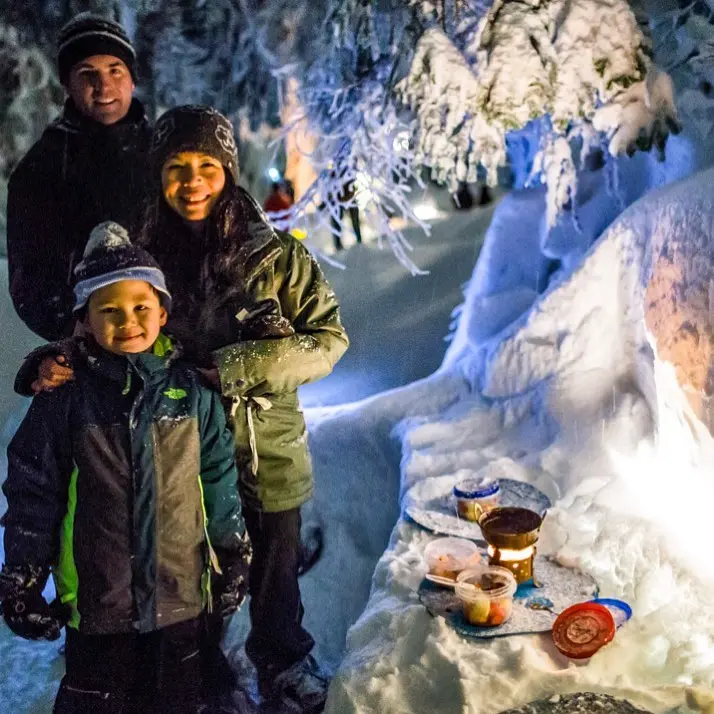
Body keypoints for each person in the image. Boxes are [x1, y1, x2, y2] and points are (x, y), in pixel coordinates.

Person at [23, 106, 349, 713]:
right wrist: (56, 360)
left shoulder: (276, 258)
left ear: (227, 170)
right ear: (159, 175)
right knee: (190, 575)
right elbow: (106, 323)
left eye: (206, 166)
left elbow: (328, 340)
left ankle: (282, 663)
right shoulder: (143, 252)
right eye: (176, 167)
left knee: (274, 572)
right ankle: (208, 676)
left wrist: (236, 368)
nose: (192, 181)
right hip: (172, 453)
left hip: (266, 445)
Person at [0, 222, 252, 714]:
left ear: (162, 311)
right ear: (84, 320)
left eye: (141, 306)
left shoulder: (193, 393)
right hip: (98, 606)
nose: (128, 320)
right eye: (108, 309)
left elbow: (218, 477)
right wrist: (24, 572)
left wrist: (232, 551)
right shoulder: (64, 399)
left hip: (180, 599)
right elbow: (33, 489)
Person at [6, 13, 151, 341]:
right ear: (67, 84)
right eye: (88, 74)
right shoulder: (42, 168)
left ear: (131, 78)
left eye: (115, 70)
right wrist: (74, 329)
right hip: (89, 345)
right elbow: (28, 277)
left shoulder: (166, 152)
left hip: (172, 342)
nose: (103, 87)